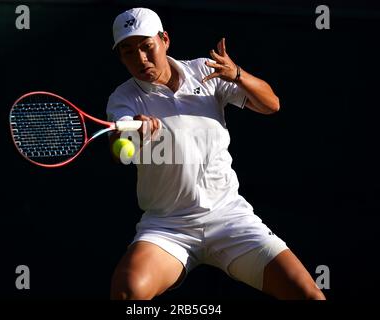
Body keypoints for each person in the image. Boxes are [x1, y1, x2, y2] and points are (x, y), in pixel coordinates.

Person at [106, 7, 326, 300]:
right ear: (121, 57)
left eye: (147, 47)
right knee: (126, 293)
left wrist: (236, 75)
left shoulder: (203, 71)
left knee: (308, 294)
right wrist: (133, 134)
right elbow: (120, 147)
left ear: (165, 40)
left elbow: (271, 104)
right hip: (169, 226)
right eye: (128, 52)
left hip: (229, 216)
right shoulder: (123, 98)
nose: (141, 59)